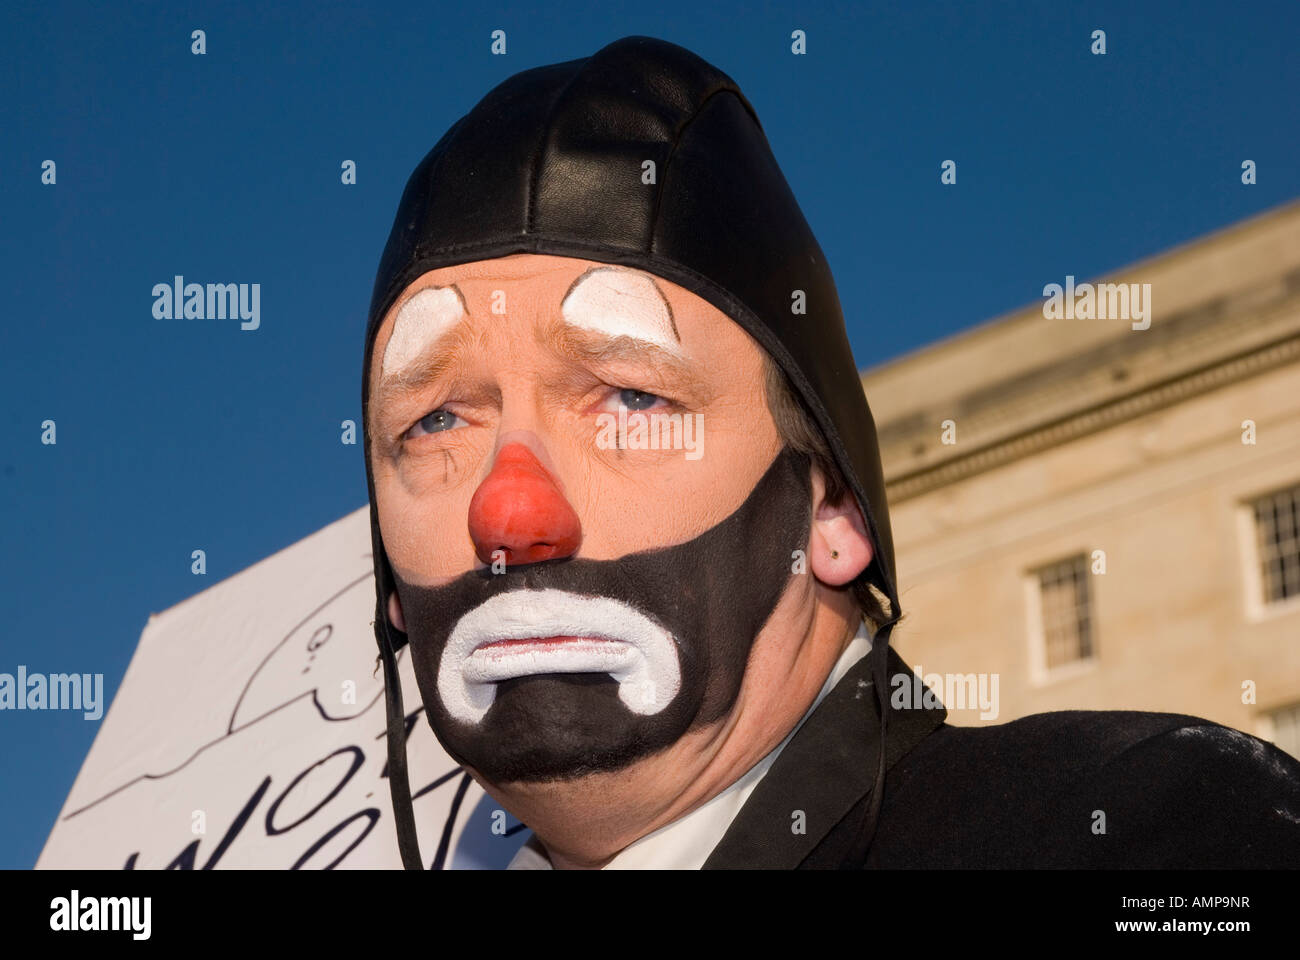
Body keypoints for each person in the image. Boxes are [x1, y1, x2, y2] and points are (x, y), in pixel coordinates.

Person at [359, 35, 1300, 869]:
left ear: (834, 511)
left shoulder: (1156, 830)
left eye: (632, 396)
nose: (510, 513)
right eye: (435, 423)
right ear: (390, 590)